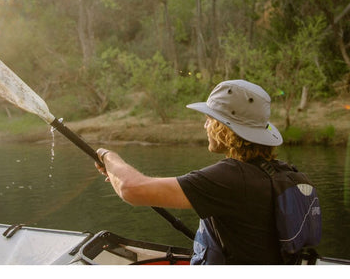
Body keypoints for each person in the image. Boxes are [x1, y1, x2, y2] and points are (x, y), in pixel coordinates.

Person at [95, 79, 300, 265]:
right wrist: (115, 173)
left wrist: (108, 156)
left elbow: (132, 189)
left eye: (210, 119)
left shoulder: (230, 178)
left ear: (224, 128)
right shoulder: (279, 172)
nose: (205, 125)